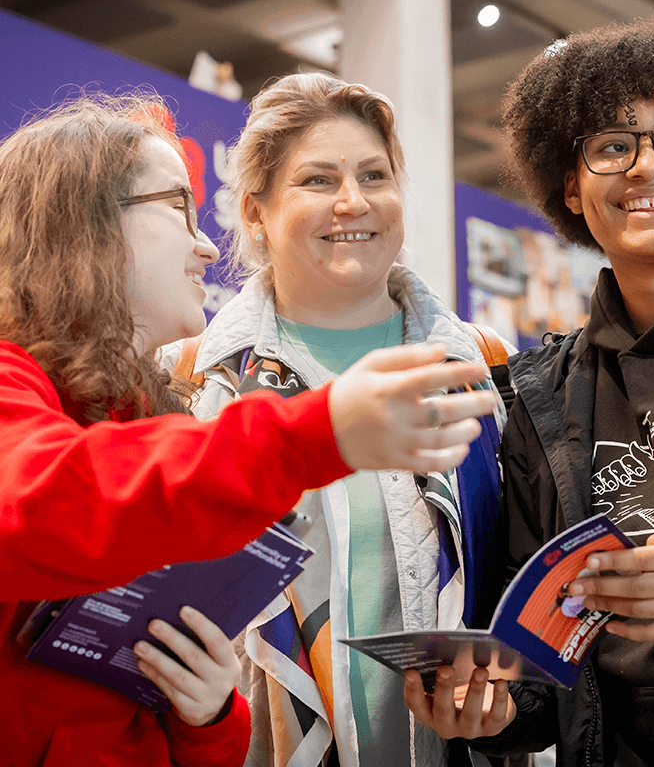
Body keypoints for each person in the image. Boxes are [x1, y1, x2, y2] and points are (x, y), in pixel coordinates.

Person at [0, 93, 496, 767]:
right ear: (83, 225)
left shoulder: (484, 365)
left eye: (376, 175)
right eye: (178, 206)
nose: (204, 243)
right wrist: (315, 432)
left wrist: (202, 714)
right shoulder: (154, 390)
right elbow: (42, 503)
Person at [405, 10, 654, 767]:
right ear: (575, 191)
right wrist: (493, 713)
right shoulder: (540, 394)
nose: (647, 166)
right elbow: (547, 668)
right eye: (613, 147)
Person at [167, 72, 510, 767]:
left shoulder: (485, 365)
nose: (353, 202)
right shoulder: (191, 380)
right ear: (255, 214)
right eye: (317, 181)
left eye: (374, 175)